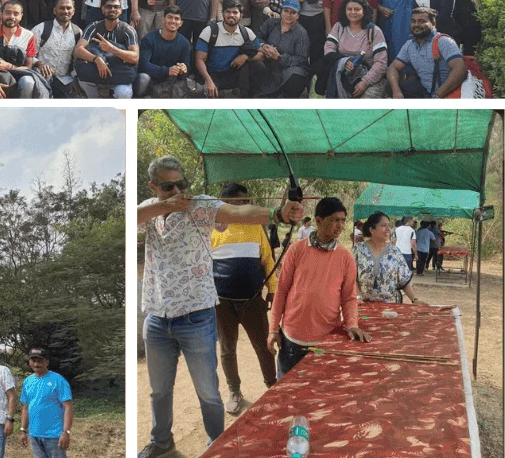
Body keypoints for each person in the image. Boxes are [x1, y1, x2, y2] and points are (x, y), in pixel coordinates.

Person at [138, 156, 304, 458]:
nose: (177, 190)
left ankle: (217, 443)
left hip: (197, 316)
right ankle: (162, 441)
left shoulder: (199, 204)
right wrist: (164, 206)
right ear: (153, 186)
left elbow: (237, 212)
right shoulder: (149, 211)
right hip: (157, 318)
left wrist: (277, 214)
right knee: (159, 391)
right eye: (168, 185)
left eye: (181, 183)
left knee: (207, 391)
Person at [268, 197, 370, 380]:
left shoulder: (346, 258)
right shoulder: (296, 250)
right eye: (334, 220)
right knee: (287, 392)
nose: (340, 225)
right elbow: (281, 290)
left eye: (342, 220)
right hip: (292, 340)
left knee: (320, 392)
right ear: (318, 221)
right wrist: (273, 329)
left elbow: (348, 298)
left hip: (326, 339)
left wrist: (352, 324)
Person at [210, 184, 278, 415]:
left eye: (244, 202)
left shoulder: (255, 227)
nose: (241, 206)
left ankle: (272, 386)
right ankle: (234, 391)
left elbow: (267, 259)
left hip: (252, 301)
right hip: (222, 303)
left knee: (264, 346)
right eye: (236, 202)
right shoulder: (214, 229)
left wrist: (273, 289)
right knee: (227, 349)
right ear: (224, 204)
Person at [386, 6, 468, 98]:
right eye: (413, 21)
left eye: (422, 21)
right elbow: (393, 68)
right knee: (391, 86)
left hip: (448, 94)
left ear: (433, 24)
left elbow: (460, 69)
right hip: (426, 92)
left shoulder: (443, 41)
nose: (416, 24)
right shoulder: (409, 45)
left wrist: (437, 96)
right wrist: (396, 91)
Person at [319, 0, 388, 97]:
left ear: (364, 11)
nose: (353, 12)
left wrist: (365, 82)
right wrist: (343, 61)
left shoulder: (374, 31)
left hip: (368, 77)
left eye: (357, 9)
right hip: (342, 74)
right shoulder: (339, 27)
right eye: (349, 9)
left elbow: (381, 63)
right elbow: (329, 49)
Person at [73, 0, 141, 99]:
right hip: (95, 74)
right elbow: (78, 50)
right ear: (103, 9)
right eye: (109, 6)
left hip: (119, 76)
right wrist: (96, 59)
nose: (112, 9)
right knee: (83, 82)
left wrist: (112, 49)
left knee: (124, 93)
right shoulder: (93, 27)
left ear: (121, 10)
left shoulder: (128, 30)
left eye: (116, 7)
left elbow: (135, 58)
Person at [195, 0, 262, 99]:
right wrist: (208, 81)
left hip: (234, 73)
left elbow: (261, 54)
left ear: (241, 15)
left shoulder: (246, 32)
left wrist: (245, 57)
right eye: (228, 12)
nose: (231, 15)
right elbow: (199, 59)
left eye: (235, 12)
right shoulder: (210, 31)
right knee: (208, 98)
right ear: (223, 14)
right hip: (213, 74)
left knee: (258, 66)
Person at [354, 213, 420, 305]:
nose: (388, 229)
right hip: (364, 305)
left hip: (391, 306)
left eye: (389, 225)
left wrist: (415, 300)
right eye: (384, 225)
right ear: (372, 229)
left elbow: (404, 280)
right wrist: (357, 297)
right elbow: (351, 278)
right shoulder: (358, 249)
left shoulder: (395, 251)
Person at [252, 0, 311, 97]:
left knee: (296, 78)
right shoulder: (272, 23)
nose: (288, 15)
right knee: (256, 65)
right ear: (281, 11)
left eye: (293, 13)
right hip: (269, 64)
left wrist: (279, 57)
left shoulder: (301, 33)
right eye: (286, 11)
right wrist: (263, 45)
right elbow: (256, 37)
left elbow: (301, 60)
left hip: (289, 68)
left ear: (298, 16)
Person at [17, 351, 70, 458]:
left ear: (47, 362)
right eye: (33, 361)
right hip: (34, 435)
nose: (36, 364)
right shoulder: (28, 381)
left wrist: (66, 432)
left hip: (54, 435)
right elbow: (25, 408)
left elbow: (68, 407)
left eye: (40, 361)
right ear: (29, 362)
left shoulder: (58, 380)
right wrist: (23, 430)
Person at [30, 0, 81, 98]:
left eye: (68, 8)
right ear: (54, 10)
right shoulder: (41, 29)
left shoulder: (78, 32)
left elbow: (77, 60)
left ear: (74, 11)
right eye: (61, 8)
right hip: (42, 78)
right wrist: (40, 63)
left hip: (65, 79)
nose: (65, 11)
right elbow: (28, 55)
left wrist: (75, 78)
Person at [140, 6, 195, 98]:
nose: (173, 21)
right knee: (142, 79)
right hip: (151, 79)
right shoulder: (149, 39)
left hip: (171, 81)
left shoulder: (185, 43)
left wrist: (183, 68)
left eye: (177, 19)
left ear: (181, 23)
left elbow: (187, 67)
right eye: (170, 17)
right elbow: (143, 65)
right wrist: (167, 70)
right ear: (163, 20)